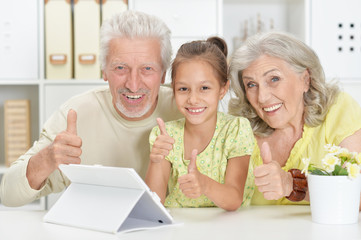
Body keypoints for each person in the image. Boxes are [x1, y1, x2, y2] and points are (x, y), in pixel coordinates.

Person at [0, 11, 183, 207]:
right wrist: (47, 158)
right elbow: (7, 194)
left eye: (147, 69)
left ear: (164, 74)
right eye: (121, 68)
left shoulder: (187, 109)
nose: (133, 84)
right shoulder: (75, 114)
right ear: (104, 71)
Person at [228, 31, 361, 205]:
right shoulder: (240, 127)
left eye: (274, 79)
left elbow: (356, 196)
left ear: (305, 80)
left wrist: (293, 185)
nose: (262, 97)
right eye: (251, 84)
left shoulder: (338, 109)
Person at [145, 37, 255, 211]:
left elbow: (234, 199)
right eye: (183, 89)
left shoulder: (236, 130)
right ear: (173, 89)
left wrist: (203, 184)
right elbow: (153, 204)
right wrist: (156, 160)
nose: (193, 99)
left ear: (222, 89)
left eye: (204, 88)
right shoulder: (166, 134)